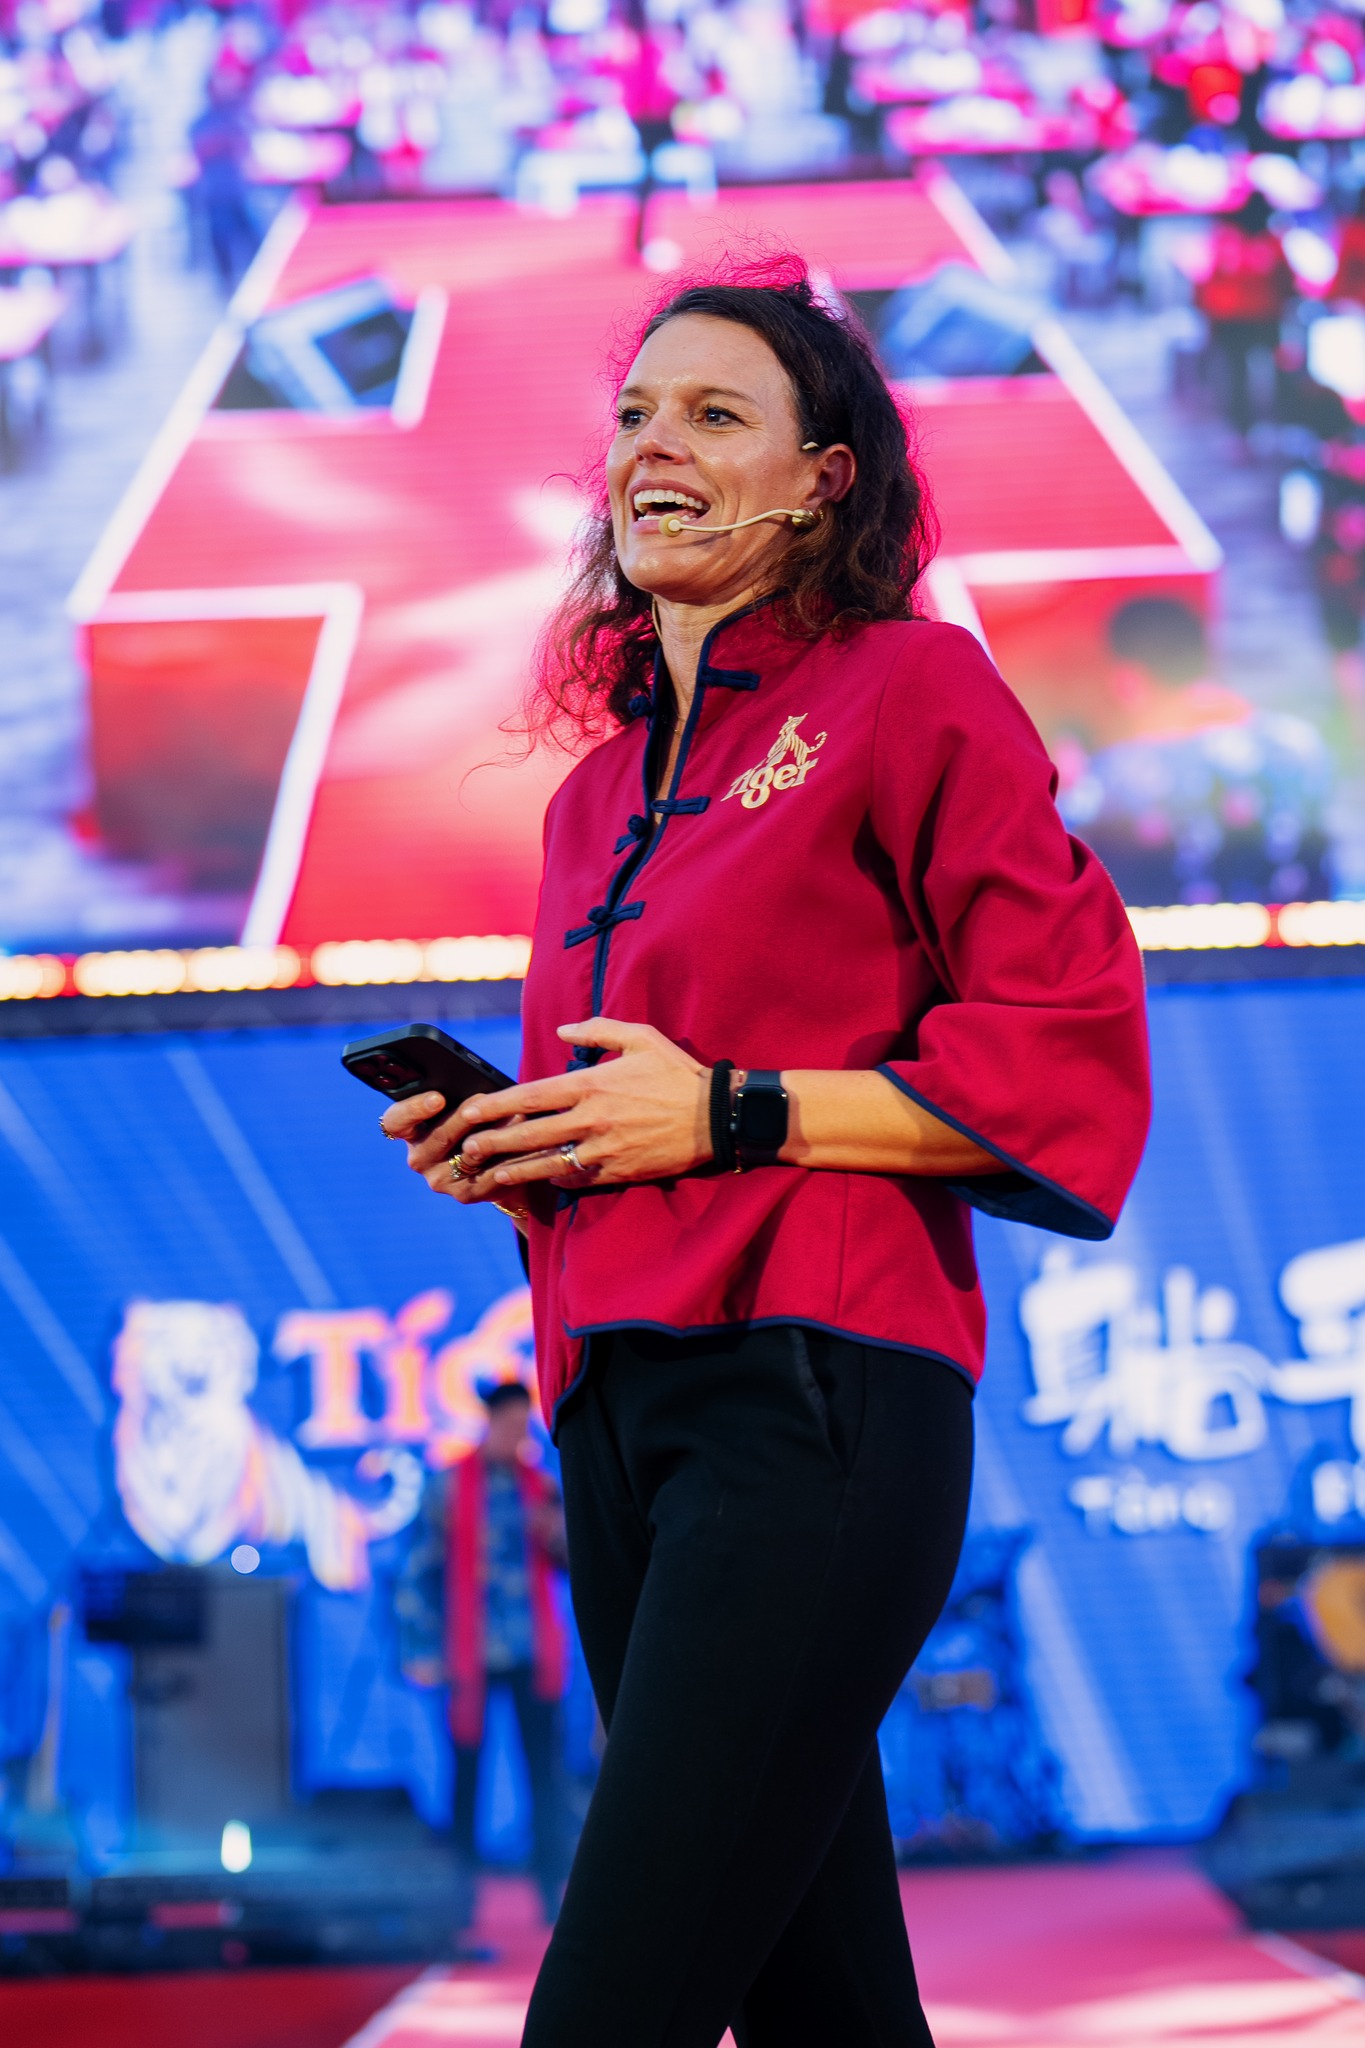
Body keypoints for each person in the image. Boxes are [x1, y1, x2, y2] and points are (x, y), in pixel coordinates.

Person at [381, 265, 1150, 2047]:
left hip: (812, 1403)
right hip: (616, 1423)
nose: (657, 445)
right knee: (825, 2019)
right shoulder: (593, 799)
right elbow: (633, 1102)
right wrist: (528, 1145)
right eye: (639, 414)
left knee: (611, 2009)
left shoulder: (911, 690)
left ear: (825, 481)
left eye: (719, 415)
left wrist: (732, 1107)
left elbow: (1064, 1045)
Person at [397, 1380, 570, 1932]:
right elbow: (416, 1573)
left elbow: (569, 1564)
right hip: (467, 1655)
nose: (520, 1432)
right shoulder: (448, 1488)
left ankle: (553, 1897)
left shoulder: (540, 1488)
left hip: (528, 1650)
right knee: (465, 1780)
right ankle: (459, 1901)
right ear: (493, 1419)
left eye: (527, 1423)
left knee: (545, 1777)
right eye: (513, 1421)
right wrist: (420, 1647)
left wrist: (559, 1536)